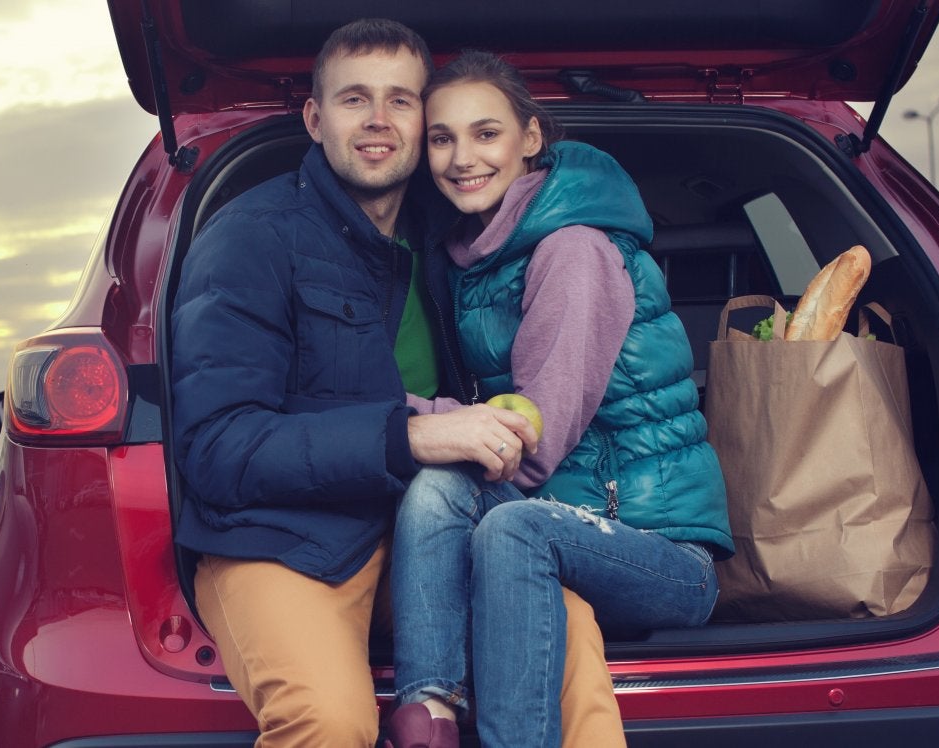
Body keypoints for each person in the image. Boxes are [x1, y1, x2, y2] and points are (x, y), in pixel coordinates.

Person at [169, 20, 624, 747]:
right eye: (355, 100)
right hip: (282, 543)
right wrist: (411, 436)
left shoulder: (450, 237)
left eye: (401, 101)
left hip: (431, 531)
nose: (379, 121)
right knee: (327, 718)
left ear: (425, 121)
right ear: (316, 120)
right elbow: (218, 448)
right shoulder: (250, 236)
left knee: (568, 639)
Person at [387, 50, 735, 748]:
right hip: (568, 520)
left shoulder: (571, 252)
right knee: (435, 487)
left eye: (486, 134)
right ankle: (428, 715)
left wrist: (402, 417)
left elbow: (533, 446)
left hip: (659, 550)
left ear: (533, 138)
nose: (462, 157)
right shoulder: (474, 252)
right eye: (442, 138)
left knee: (512, 526)